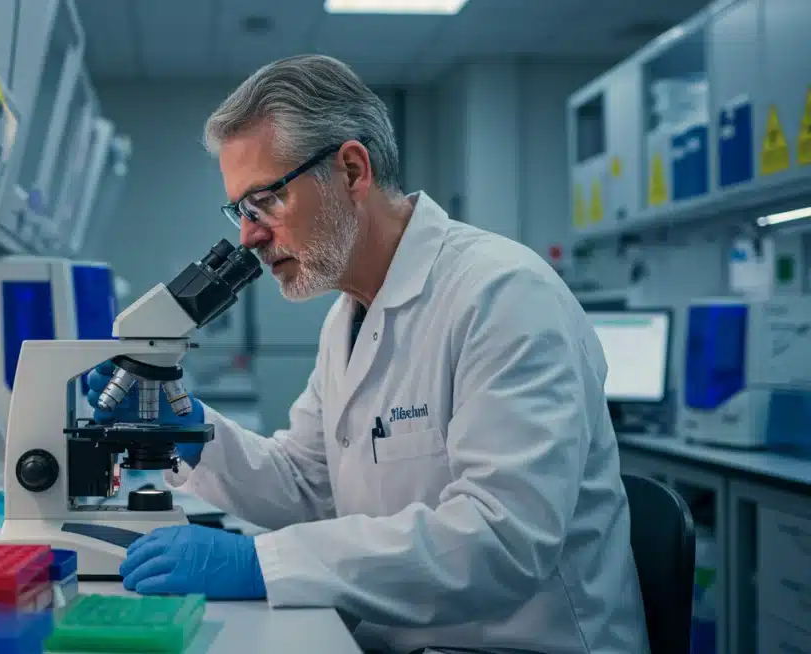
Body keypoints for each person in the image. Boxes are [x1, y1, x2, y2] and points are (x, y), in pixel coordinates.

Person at [86, 54, 649, 653]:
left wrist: (263, 562)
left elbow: (503, 541)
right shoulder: (348, 316)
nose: (248, 236)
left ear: (351, 169)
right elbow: (305, 485)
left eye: (266, 201)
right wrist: (191, 431)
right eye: (240, 211)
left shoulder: (503, 296)